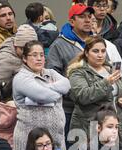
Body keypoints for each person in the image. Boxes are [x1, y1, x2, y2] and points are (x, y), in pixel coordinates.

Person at [12, 40, 70, 150]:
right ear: (25, 59)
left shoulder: (51, 73)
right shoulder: (21, 78)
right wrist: (57, 92)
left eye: (42, 55)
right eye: (34, 55)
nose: (39, 58)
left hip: (56, 140)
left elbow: (66, 85)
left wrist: (48, 87)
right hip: (29, 140)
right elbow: (45, 96)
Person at [46, 3, 94, 140]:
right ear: (71, 21)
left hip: (94, 109)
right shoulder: (59, 45)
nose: (87, 20)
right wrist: (77, 94)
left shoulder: (97, 42)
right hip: (69, 110)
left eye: (90, 17)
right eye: (82, 17)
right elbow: (52, 77)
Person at [68, 36, 122, 136]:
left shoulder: (111, 69)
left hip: (118, 127)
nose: (100, 55)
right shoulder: (78, 72)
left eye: (103, 51)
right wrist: (106, 83)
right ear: (86, 53)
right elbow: (83, 96)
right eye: (95, 51)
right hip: (91, 129)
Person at [0, 24, 38, 101]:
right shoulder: (5, 58)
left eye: (31, 50)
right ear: (16, 46)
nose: (26, 53)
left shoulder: (35, 57)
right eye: (22, 49)